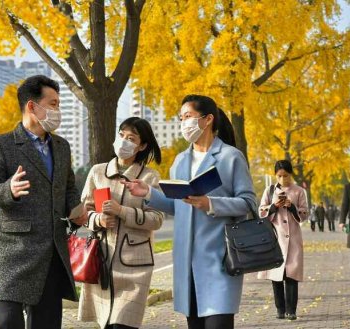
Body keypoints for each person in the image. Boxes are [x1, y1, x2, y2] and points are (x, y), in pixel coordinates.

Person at [124, 95, 255, 329]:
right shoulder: (180, 161)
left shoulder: (230, 157)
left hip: (220, 260)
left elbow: (248, 203)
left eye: (188, 117)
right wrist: (148, 193)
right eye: (181, 118)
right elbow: (178, 205)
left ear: (207, 120)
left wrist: (211, 204)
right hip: (186, 265)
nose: (184, 122)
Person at [0, 75, 87, 329]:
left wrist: (75, 208)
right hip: (13, 252)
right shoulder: (1, 144)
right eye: (53, 103)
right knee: (8, 322)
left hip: (52, 252)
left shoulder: (61, 147)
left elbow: (68, 187)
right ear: (31, 106)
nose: (57, 111)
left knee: (46, 324)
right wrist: (9, 190)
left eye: (59, 104)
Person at [78, 117, 165, 329]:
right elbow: (82, 212)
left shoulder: (150, 177)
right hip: (102, 261)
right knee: (106, 323)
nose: (123, 141)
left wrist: (121, 211)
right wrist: (98, 219)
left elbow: (157, 219)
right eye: (121, 135)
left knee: (123, 324)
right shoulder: (98, 172)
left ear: (142, 145)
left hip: (135, 265)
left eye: (131, 138)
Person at [257, 160, 308, 321]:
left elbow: (304, 213)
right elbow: (261, 211)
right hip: (276, 238)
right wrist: (274, 206)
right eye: (279, 176)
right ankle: (280, 309)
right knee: (277, 275)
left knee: (291, 274)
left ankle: (291, 310)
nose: (282, 179)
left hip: (293, 238)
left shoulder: (299, 191)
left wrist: (292, 206)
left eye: (285, 176)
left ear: (290, 174)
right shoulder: (269, 190)